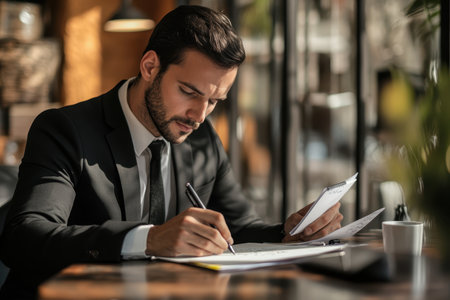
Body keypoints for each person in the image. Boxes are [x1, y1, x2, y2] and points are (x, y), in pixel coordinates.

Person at [0, 4, 342, 292]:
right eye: (190, 92)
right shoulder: (66, 130)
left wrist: (289, 233)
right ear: (150, 67)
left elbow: (237, 226)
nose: (199, 114)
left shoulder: (202, 136)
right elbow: (26, 236)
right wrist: (147, 239)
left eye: (214, 101)